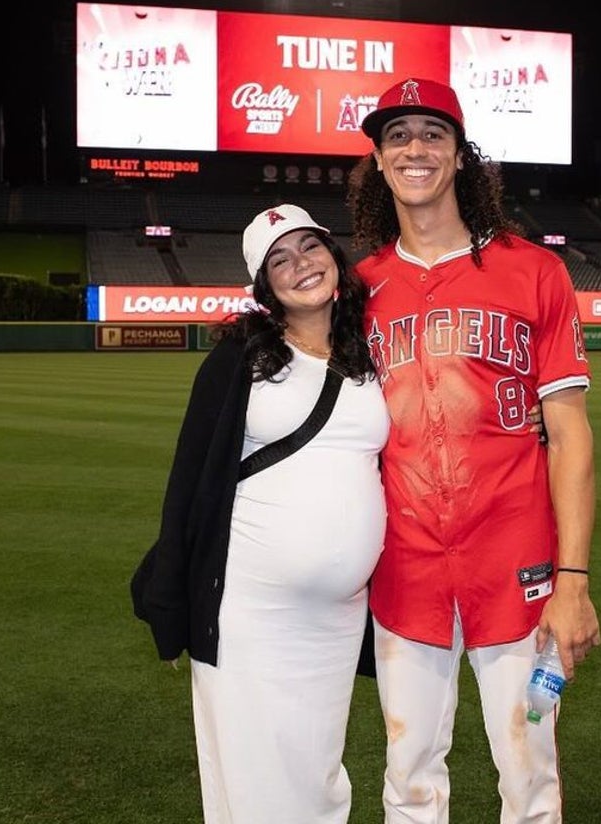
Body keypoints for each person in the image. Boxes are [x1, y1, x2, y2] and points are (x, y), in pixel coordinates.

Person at [347, 76, 601, 823]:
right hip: (404, 564)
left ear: (460, 155)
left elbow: (572, 433)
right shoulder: (360, 290)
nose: (415, 148)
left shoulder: (534, 270)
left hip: (516, 561)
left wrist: (575, 579)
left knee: (529, 776)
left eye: (432, 134)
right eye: (398, 136)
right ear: (380, 161)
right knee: (409, 772)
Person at [129, 203, 387, 824]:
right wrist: (171, 602)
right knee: (252, 772)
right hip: (252, 608)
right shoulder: (241, 358)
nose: (301, 265)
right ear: (263, 284)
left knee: (317, 767)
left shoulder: (371, 353)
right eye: (280, 259)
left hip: (338, 618)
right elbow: (189, 482)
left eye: (309, 247)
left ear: (334, 255)